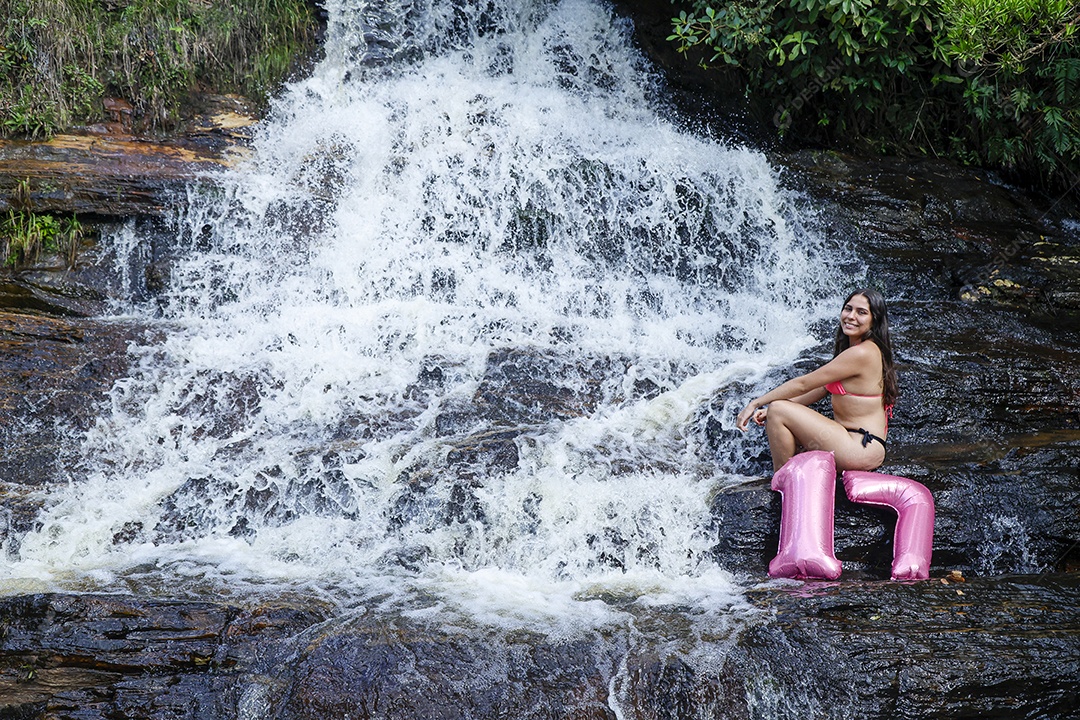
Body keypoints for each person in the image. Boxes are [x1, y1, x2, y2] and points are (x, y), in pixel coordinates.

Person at [735, 288, 898, 472]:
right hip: (855, 442)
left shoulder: (862, 353)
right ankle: (792, 480)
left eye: (861, 312)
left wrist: (756, 403)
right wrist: (772, 410)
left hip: (860, 446)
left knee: (779, 410)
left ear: (874, 320)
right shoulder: (861, 350)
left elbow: (803, 384)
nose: (851, 316)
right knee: (779, 412)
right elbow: (821, 389)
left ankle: (781, 481)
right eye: (848, 309)